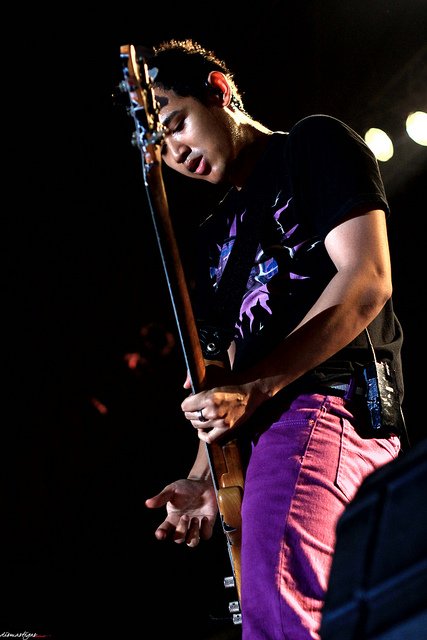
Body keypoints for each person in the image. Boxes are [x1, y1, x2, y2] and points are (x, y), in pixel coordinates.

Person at [141, 39, 405, 639]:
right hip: (263, 438)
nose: (176, 152)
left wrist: (257, 388)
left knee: (283, 618)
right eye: (161, 148)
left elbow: (367, 278)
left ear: (218, 90)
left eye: (176, 124)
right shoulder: (213, 235)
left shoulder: (312, 144)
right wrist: (206, 477)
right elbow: (224, 378)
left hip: (327, 406)